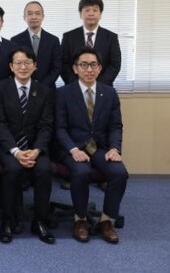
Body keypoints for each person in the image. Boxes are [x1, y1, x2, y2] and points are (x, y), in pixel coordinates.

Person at [56, 46, 128, 244]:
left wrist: (114, 148)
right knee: (81, 172)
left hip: (100, 148)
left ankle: (106, 220)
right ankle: (80, 219)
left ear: (100, 68)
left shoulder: (109, 93)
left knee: (119, 173)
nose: (89, 69)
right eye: (84, 65)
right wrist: (73, 150)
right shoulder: (63, 93)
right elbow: (59, 128)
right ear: (75, 68)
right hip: (73, 147)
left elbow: (115, 126)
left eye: (93, 65)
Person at [0, 46, 55, 244]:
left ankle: (39, 221)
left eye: (28, 63)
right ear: (11, 66)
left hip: (35, 147)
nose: (23, 67)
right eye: (18, 63)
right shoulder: (0, 88)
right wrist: (16, 151)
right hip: (7, 146)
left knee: (44, 170)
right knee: (12, 169)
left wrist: (36, 150)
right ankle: (7, 220)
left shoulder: (44, 91)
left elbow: (46, 125)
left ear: (35, 66)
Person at [61, 0, 122, 86]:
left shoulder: (111, 37)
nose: (91, 13)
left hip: (103, 88)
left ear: (100, 14)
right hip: (74, 88)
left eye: (95, 10)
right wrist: (78, 85)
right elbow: (63, 63)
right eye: (87, 10)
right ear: (80, 14)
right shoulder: (69, 37)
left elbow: (115, 65)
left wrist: (97, 86)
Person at [11, 1, 61, 89]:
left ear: (43, 16)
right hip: (23, 89)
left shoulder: (53, 40)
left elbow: (57, 68)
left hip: (47, 89)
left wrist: (42, 86)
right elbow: (14, 67)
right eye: (30, 14)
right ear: (24, 17)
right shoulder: (15, 40)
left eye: (37, 13)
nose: (34, 17)